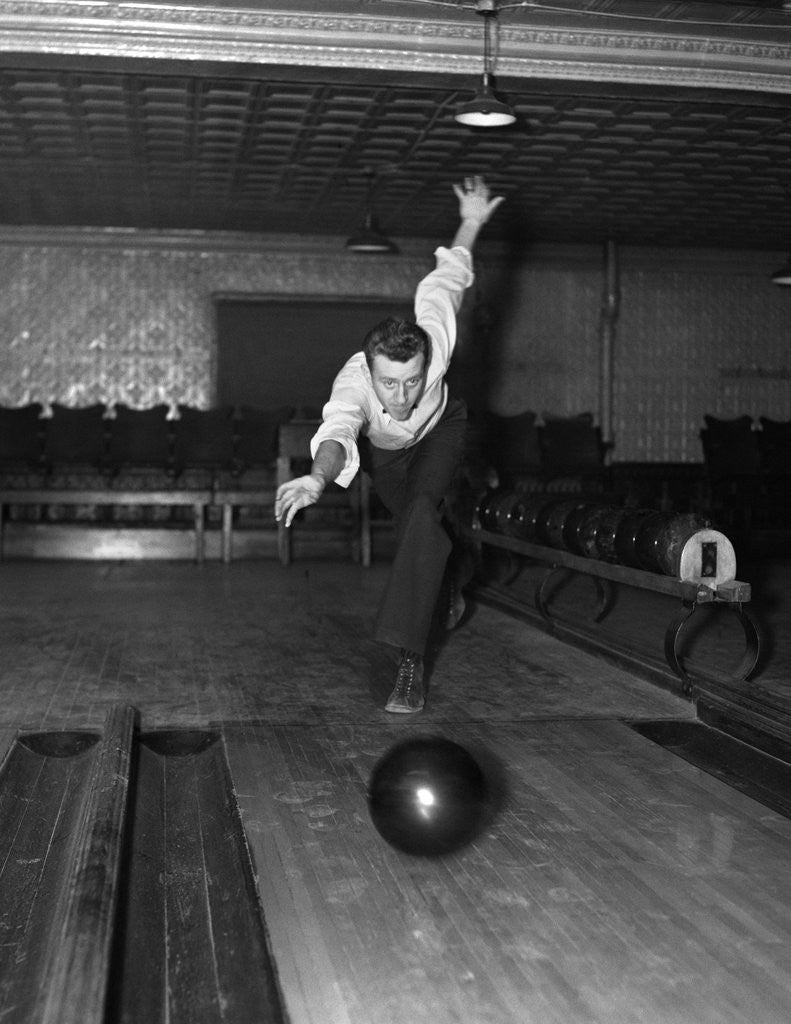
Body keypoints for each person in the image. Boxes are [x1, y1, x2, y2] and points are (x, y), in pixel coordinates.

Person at [274, 175, 504, 714]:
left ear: (426, 361)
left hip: (442, 429)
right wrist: (317, 477)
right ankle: (455, 572)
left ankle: (409, 662)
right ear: (370, 372)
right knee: (416, 532)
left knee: (424, 513)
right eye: (389, 384)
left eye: (412, 380)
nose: (401, 395)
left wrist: (471, 220)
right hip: (387, 455)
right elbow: (337, 431)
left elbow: (450, 277)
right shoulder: (353, 385)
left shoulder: (436, 342)